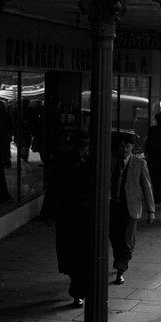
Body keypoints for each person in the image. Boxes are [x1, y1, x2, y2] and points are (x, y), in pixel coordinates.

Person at [109, 129, 155, 285]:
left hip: (131, 207)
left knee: (127, 239)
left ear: (132, 147)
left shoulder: (139, 163)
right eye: (122, 146)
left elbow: (147, 187)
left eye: (127, 146)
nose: (124, 149)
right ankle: (118, 258)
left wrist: (151, 210)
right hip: (113, 205)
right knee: (114, 236)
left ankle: (121, 269)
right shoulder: (112, 161)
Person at [54, 131, 94, 306]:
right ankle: (77, 284)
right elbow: (56, 186)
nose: (82, 149)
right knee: (70, 252)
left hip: (85, 215)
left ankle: (79, 289)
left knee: (82, 253)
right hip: (69, 214)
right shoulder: (66, 161)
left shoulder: (93, 161)